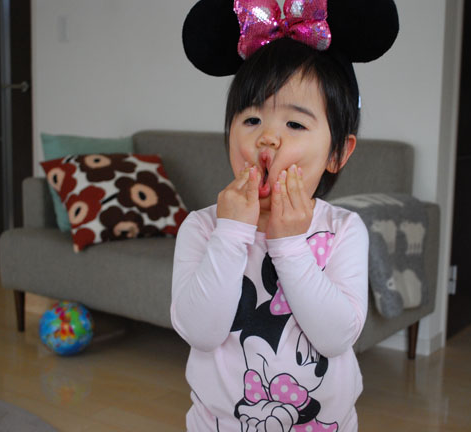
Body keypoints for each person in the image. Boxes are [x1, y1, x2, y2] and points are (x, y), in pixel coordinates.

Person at [172, 1, 399, 430]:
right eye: (251, 119)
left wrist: (290, 244)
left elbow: (336, 337)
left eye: (295, 124)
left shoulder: (342, 230)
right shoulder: (202, 228)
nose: (268, 138)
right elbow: (199, 332)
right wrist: (230, 233)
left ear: (337, 153)